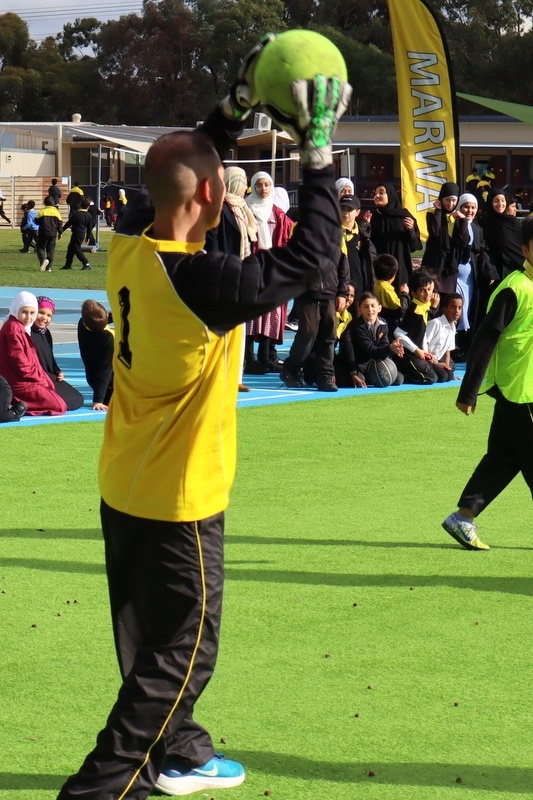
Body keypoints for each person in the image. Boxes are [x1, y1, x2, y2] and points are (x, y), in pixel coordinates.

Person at [55, 34, 351, 800]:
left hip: (125, 479)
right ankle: (102, 787)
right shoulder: (205, 284)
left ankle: (181, 751)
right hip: (178, 496)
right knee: (182, 653)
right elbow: (314, 260)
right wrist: (316, 152)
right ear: (216, 200)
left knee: (149, 635)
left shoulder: (131, 237)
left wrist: (232, 107)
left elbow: (186, 162)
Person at [442, 216, 533, 551]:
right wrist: (468, 392)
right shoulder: (515, 288)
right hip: (520, 391)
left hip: (522, 390)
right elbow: (484, 340)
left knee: (503, 458)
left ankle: (463, 517)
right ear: (525, 250)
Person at [205, 165, 258, 391]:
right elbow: (213, 243)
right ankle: (216, 376)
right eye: (243, 181)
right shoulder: (218, 208)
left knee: (239, 331)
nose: (246, 185)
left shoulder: (243, 208)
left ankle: (235, 377)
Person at [244, 170, 293, 372]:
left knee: (269, 315)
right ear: (253, 187)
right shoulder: (245, 209)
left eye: (266, 185)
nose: (263, 189)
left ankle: (266, 357)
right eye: (259, 185)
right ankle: (248, 359)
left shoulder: (277, 213)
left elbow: (290, 237)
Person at [440, 193, 498, 358]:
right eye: (466, 206)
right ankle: (453, 347)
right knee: (457, 309)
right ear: (460, 206)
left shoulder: (478, 228)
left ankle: (465, 346)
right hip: (454, 274)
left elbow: (481, 250)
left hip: (470, 277)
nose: (470, 210)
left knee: (469, 309)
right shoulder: (453, 222)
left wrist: (489, 271)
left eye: (473, 207)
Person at [0, 291, 67, 416]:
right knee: (59, 406)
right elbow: (20, 363)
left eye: (32, 313)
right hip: (17, 381)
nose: (28, 317)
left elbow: (33, 360)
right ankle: (16, 403)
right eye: (24, 312)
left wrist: (44, 379)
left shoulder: (22, 328)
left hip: (27, 378)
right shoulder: (13, 328)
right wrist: (39, 379)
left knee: (53, 390)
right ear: (16, 309)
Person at [335, 291, 404, 387]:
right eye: (365, 306)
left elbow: (383, 347)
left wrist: (394, 350)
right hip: (358, 363)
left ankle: (372, 378)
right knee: (358, 381)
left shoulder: (383, 323)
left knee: (398, 378)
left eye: (373, 306)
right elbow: (371, 350)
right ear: (360, 310)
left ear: (379, 308)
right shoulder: (358, 327)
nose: (370, 309)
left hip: (374, 361)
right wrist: (390, 348)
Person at [31, 296, 84, 410]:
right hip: (36, 379)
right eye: (41, 313)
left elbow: (49, 358)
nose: (44, 318)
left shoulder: (46, 333)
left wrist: (57, 370)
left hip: (49, 377)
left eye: (49, 315)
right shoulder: (27, 333)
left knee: (76, 399)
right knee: (62, 402)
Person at [368, 183, 421, 290]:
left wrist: (410, 230)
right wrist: (365, 227)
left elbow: (414, 247)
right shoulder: (372, 217)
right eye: (375, 193)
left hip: (400, 268)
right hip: (378, 269)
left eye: (381, 193)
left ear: (391, 195)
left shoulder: (404, 217)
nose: (377, 195)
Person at [394, 270, 440, 384]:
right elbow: (398, 333)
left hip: (419, 352)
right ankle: (403, 372)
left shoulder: (424, 306)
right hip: (409, 354)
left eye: (429, 289)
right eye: (422, 291)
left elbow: (422, 333)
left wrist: (425, 351)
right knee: (431, 378)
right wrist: (416, 350)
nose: (428, 293)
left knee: (444, 375)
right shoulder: (415, 310)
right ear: (414, 294)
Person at [421, 182, 460, 287]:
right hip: (434, 261)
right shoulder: (432, 212)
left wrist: (463, 221)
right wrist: (438, 211)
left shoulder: (458, 215)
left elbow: (463, 240)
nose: (450, 204)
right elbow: (434, 232)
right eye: (447, 200)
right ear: (441, 199)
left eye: (453, 200)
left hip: (450, 263)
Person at [77, 299, 114, 410]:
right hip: (110, 386)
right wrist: (98, 400)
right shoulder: (107, 338)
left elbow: (96, 319)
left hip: (93, 379)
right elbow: (105, 370)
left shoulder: (82, 325)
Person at [340, 194, 375, 298]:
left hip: (359, 290)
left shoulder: (363, 236)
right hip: (338, 290)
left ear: (357, 212)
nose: (346, 213)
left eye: (350, 209)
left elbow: (369, 263)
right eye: (342, 209)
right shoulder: (331, 233)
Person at [481, 190, 523, 279]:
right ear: (490, 202)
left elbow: (521, 246)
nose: (500, 204)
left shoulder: (513, 222)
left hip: (516, 271)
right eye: (496, 201)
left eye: (503, 200)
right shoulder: (485, 223)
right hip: (494, 272)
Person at [425, 293, 463, 382]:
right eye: (453, 307)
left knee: (449, 374)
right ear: (444, 309)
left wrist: (446, 367)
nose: (457, 311)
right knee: (442, 377)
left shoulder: (453, 326)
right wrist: (435, 363)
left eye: (459, 308)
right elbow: (424, 345)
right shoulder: (436, 323)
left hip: (437, 359)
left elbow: (447, 351)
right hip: (426, 358)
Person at [373, 253, 410, 333]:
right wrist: (404, 294)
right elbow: (401, 310)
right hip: (389, 327)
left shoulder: (375, 285)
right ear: (394, 275)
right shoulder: (386, 290)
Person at [61, 197, 93, 270]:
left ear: (81, 205)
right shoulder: (88, 215)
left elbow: (69, 223)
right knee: (70, 248)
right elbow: (89, 228)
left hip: (76, 233)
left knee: (76, 248)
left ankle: (86, 263)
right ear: (88, 207)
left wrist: (62, 230)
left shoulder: (76, 214)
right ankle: (68, 264)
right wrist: (88, 237)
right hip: (82, 234)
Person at [35, 196, 63, 272]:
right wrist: (60, 232)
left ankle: (43, 261)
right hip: (53, 234)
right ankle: (49, 267)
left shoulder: (42, 211)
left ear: (44, 203)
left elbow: (36, 221)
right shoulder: (56, 212)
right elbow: (60, 224)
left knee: (40, 247)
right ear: (53, 203)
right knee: (51, 250)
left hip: (43, 233)